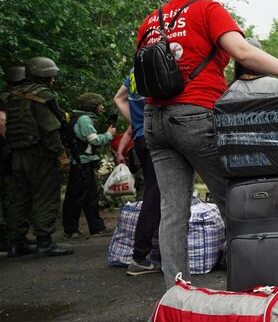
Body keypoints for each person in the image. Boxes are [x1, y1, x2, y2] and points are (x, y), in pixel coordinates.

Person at [139, 0, 278, 289]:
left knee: (173, 213)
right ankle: (254, 285)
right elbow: (243, 53)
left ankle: (176, 297)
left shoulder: (153, 19)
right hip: (195, 115)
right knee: (236, 202)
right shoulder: (209, 10)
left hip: (154, 120)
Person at [3, 57, 72, 257]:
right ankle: (44, 241)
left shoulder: (12, 96)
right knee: (45, 197)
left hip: (16, 154)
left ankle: (16, 243)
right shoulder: (41, 96)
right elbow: (49, 129)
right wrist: (60, 154)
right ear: (46, 76)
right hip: (40, 155)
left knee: (19, 199)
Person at [114, 69, 161, 275]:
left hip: (141, 138)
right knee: (155, 195)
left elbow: (118, 98)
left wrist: (137, 122)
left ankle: (146, 254)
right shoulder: (165, 60)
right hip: (158, 136)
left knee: (154, 193)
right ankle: (140, 256)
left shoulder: (135, 71)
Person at [62, 93, 115, 239]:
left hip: (81, 163)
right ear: (91, 105)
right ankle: (71, 229)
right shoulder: (84, 119)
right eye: (100, 104)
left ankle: (96, 227)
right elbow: (95, 140)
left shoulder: (76, 118)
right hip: (81, 164)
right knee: (77, 197)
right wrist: (109, 134)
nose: (102, 107)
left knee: (89, 196)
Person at [0, 66, 27, 252]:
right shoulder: (11, 98)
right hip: (7, 153)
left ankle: (13, 240)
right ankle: (12, 240)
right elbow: (2, 122)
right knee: (12, 196)